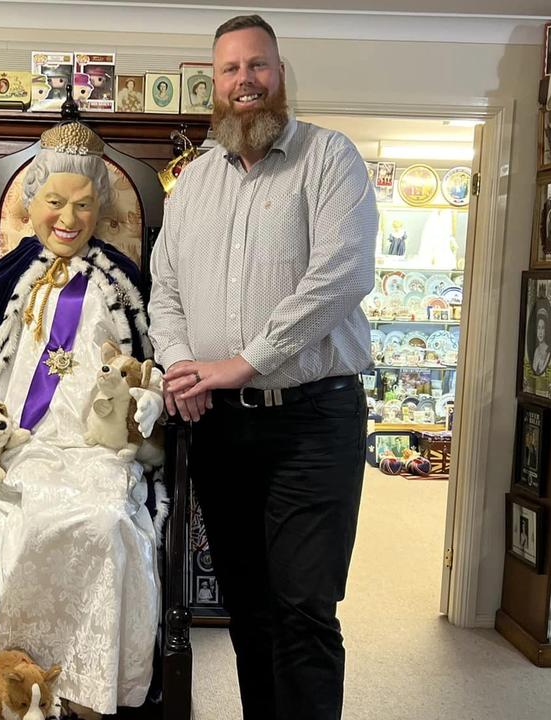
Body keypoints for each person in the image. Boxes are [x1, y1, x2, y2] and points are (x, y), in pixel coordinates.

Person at [147, 14, 378, 720]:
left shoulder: (330, 159)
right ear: (213, 84)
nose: (244, 80)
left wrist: (243, 364)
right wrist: (187, 368)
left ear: (280, 73)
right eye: (229, 69)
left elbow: (340, 276)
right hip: (220, 428)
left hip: (314, 420)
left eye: (258, 65)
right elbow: (166, 290)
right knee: (246, 607)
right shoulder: (192, 184)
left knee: (303, 609)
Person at [0, 122, 163, 719]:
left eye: (83, 205)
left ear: (100, 210)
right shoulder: (4, 282)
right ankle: (17, 680)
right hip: (27, 447)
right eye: (54, 202)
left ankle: (90, 688)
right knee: (27, 519)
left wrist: (142, 402)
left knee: (109, 520)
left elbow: (145, 364)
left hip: (98, 450)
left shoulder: (121, 282)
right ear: (30, 204)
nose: (68, 217)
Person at [531, 306, 551, 375]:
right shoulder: (536, 350)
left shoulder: (548, 351)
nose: (540, 332)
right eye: (538, 328)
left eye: (542, 328)